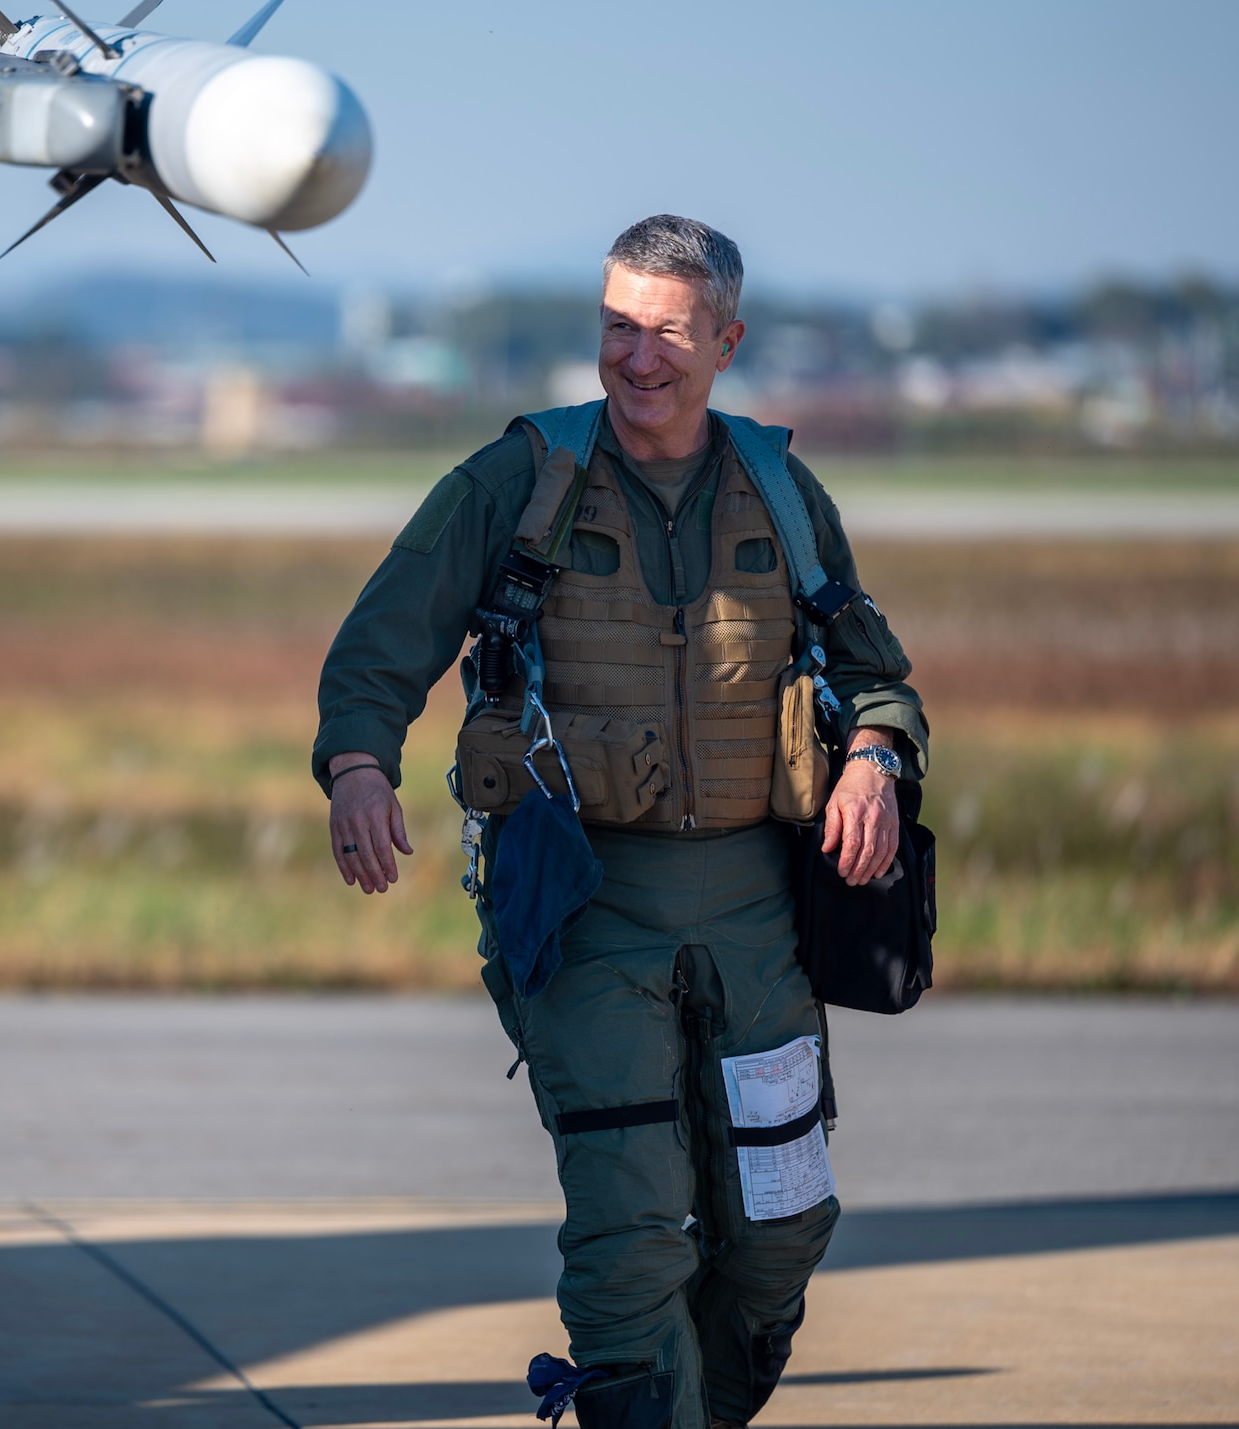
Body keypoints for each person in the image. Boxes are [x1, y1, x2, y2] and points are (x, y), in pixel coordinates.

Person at [314, 216, 927, 1428]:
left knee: (782, 1226)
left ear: (724, 342)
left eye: (664, 330)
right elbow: (381, 641)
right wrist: (354, 765)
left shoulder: (780, 492)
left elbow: (877, 676)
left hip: (759, 915)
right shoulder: (519, 480)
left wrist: (869, 759)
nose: (634, 356)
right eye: (613, 325)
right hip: (583, 904)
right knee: (630, 1231)